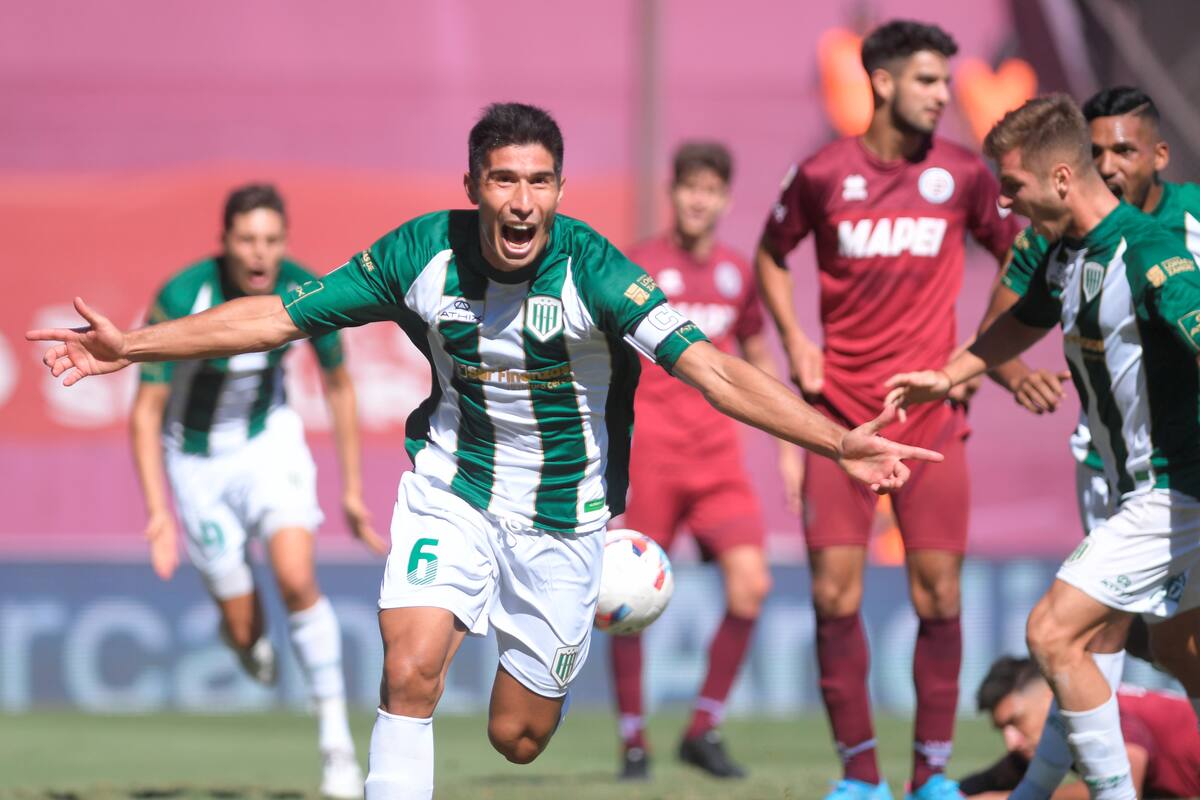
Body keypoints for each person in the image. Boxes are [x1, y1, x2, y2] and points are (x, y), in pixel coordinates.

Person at [30, 102, 942, 800]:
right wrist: (133, 345)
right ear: (473, 185)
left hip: (563, 520)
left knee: (518, 737)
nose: (521, 201)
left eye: (539, 182)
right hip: (452, 489)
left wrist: (836, 442)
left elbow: (713, 371)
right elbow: (276, 317)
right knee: (409, 667)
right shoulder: (420, 253)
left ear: (560, 191)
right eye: (503, 181)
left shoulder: (597, 270)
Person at [886, 93, 1200, 800]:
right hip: (1142, 491)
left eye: (1014, 185)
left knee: (1054, 633)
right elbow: (1020, 323)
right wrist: (947, 376)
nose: (1004, 202)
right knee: (1182, 649)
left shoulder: (1151, 252)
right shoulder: (1065, 254)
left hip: (1175, 491)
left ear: (1060, 179)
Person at [755, 20, 1020, 800]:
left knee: (939, 596)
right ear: (882, 82)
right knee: (833, 597)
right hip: (840, 420)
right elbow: (771, 254)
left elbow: (1020, 256)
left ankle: (930, 776)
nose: (943, 95)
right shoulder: (821, 173)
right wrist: (796, 339)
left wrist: (976, 357)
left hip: (930, 419)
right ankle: (860, 778)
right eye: (928, 80)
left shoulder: (963, 173)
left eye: (945, 81)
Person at [129, 184, 386, 799]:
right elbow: (146, 409)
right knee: (245, 631)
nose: (259, 253)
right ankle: (245, 640)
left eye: (271, 240)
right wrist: (158, 511)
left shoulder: (303, 287)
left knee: (296, 578)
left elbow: (340, 385)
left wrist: (352, 490)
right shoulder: (183, 296)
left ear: (284, 242)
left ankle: (336, 749)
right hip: (196, 464)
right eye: (247, 239)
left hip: (269, 443)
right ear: (225, 242)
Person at [609, 141, 801, 780]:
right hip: (652, 459)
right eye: (690, 187)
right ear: (673, 193)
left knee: (752, 587)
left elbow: (757, 358)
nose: (699, 199)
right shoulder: (637, 267)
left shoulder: (735, 274)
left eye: (711, 190)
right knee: (626, 598)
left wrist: (788, 449)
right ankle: (633, 741)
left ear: (724, 199)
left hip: (718, 461)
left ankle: (702, 729)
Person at [960, 656, 1200, 799]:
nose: (1011, 741)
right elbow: (988, 781)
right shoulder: (1047, 735)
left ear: (1049, 697)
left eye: (1016, 721)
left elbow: (1122, 788)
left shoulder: (1100, 714)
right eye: (1003, 729)